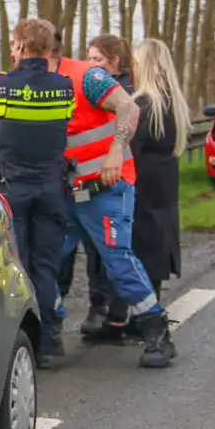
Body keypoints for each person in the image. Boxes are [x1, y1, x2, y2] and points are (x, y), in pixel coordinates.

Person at [51, 30, 174, 369]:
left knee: (117, 259)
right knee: (46, 256)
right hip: (71, 190)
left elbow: (129, 109)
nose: (17, 55)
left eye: (22, 49)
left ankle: (156, 329)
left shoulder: (86, 77)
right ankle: (47, 328)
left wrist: (116, 152)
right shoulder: (34, 83)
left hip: (106, 185)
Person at [0, 18, 75, 368]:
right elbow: (62, 124)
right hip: (51, 188)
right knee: (46, 267)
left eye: (13, 44)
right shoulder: (63, 87)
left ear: (21, 47)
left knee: (15, 268)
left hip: (13, 190)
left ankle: (23, 344)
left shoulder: (1, 85)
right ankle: (50, 342)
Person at [57, 33, 136, 339]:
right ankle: (94, 307)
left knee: (108, 253)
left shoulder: (116, 90)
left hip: (108, 183)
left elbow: (128, 117)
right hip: (80, 184)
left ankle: (115, 312)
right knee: (77, 253)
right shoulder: (86, 85)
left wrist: (115, 152)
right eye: (89, 59)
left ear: (114, 62)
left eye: (98, 60)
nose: (92, 66)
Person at [128, 38, 188, 358]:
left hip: (142, 188)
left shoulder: (142, 106)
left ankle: (150, 319)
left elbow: (129, 150)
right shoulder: (172, 104)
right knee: (154, 253)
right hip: (164, 189)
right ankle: (144, 315)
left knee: (139, 255)